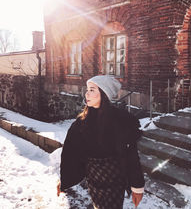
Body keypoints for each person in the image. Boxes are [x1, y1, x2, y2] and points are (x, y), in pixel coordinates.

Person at [57, 75, 145, 209]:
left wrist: (137, 186)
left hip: (115, 179)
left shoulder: (121, 121)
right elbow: (71, 153)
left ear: (104, 94)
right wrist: (65, 179)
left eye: (92, 90)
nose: (86, 94)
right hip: (93, 179)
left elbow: (131, 155)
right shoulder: (81, 122)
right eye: (87, 89)